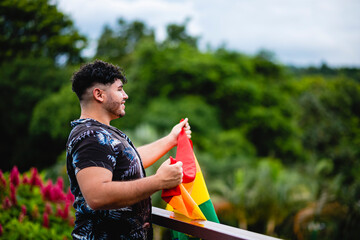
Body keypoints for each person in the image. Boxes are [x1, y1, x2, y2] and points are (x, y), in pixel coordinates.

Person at [66, 60, 191, 240]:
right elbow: (97, 196)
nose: (125, 95)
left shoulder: (98, 132)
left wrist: (171, 139)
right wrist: (159, 181)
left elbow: (130, 163)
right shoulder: (90, 136)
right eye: (119, 89)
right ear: (99, 94)